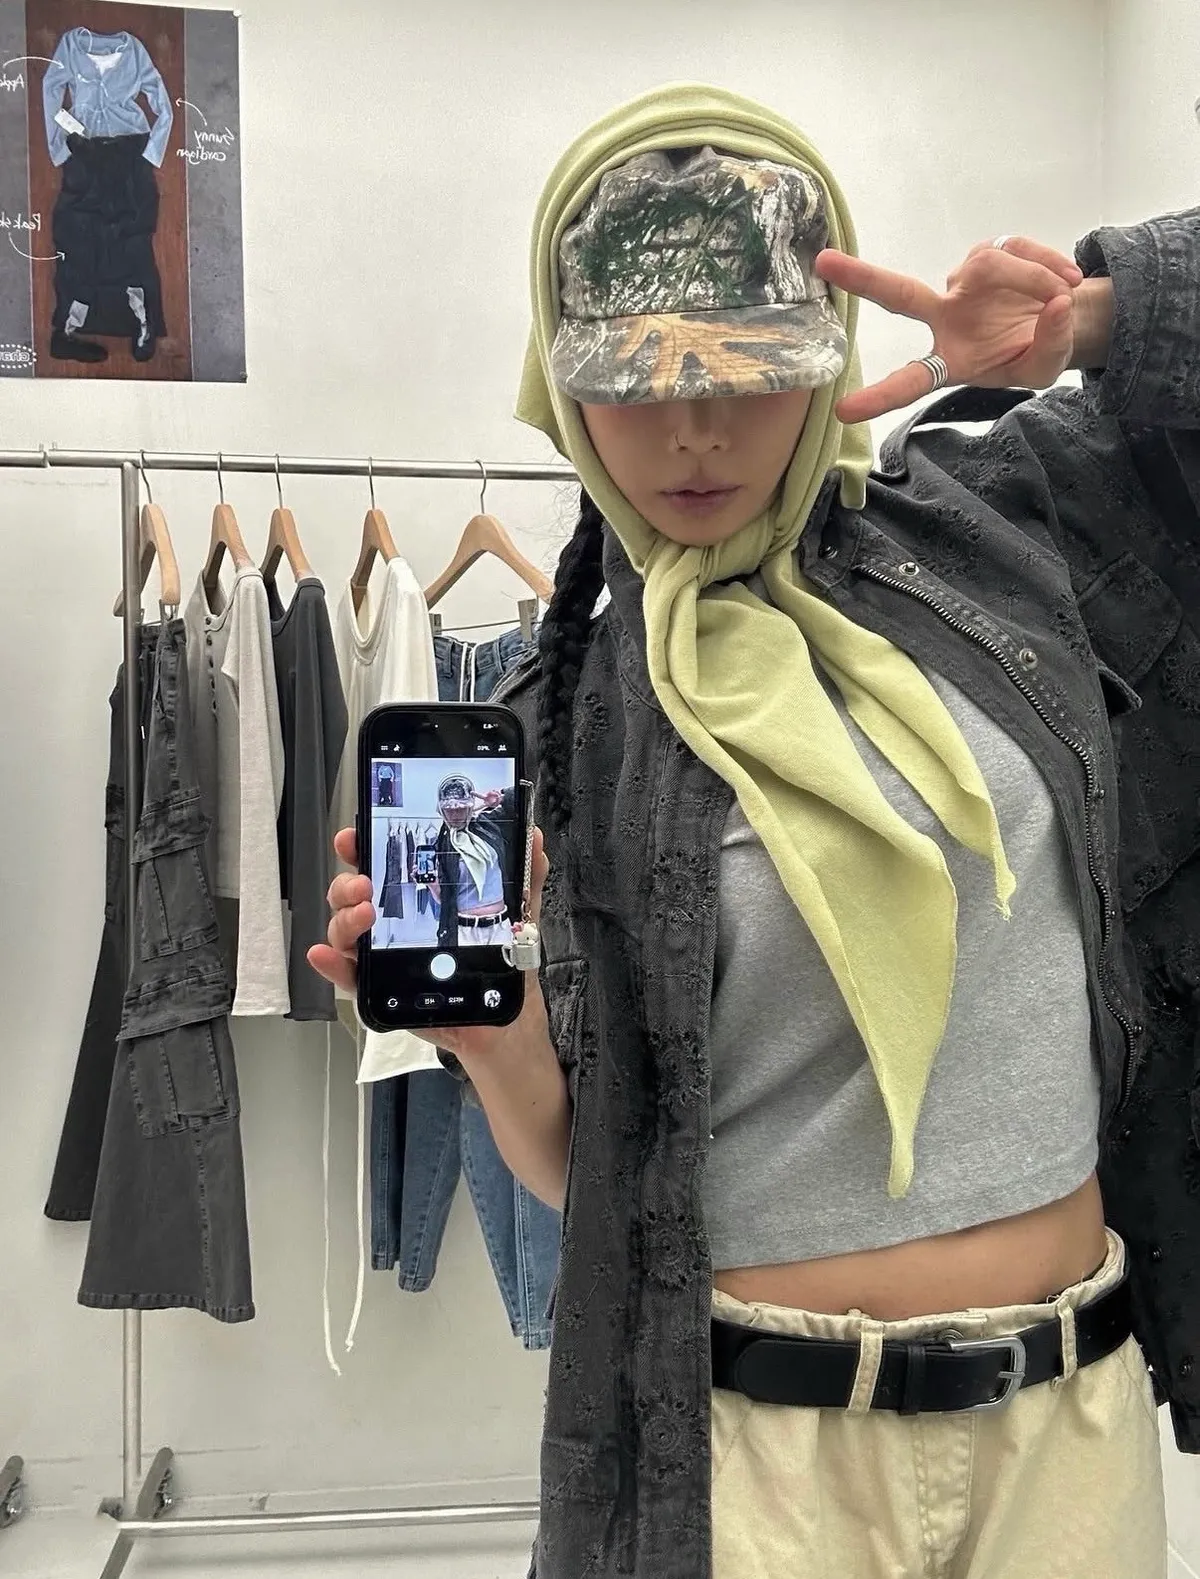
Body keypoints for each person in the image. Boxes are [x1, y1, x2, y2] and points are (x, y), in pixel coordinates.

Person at [310, 84, 1199, 1579]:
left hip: (1067, 1430)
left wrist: (1088, 325)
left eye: (749, 367)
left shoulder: (1009, 521)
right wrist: (500, 1040)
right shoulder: (560, 718)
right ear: (560, 389)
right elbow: (594, 1167)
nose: (695, 430)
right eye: (636, 380)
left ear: (829, 350)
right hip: (758, 1462)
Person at [429, 774, 515, 948]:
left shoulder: (489, 824)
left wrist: (500, 798)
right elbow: (444, 899)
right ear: (441, 810)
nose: (455, 815)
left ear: (470, 807)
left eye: (461, 808)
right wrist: (432, 884)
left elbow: (526, 802)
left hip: (500, 926)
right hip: (464, 931)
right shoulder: (441, 845)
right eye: (449, 810)